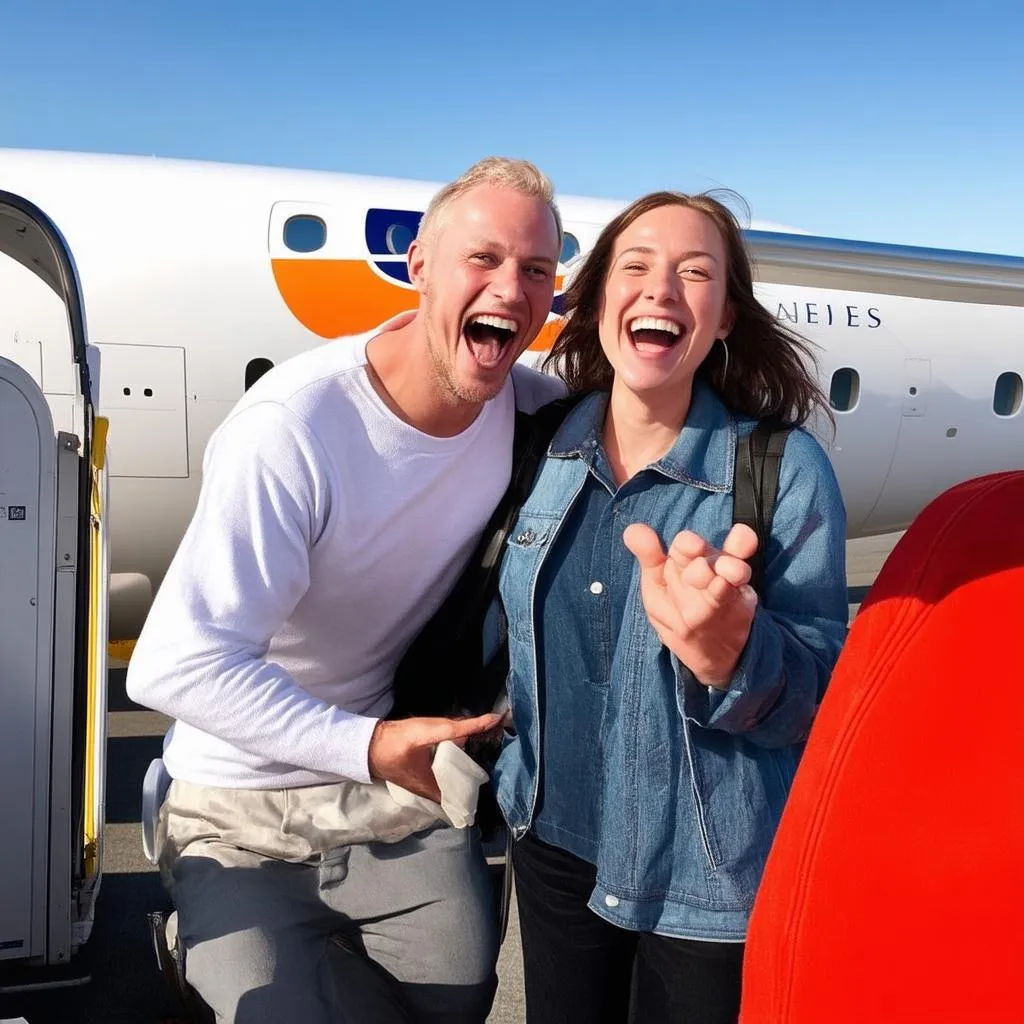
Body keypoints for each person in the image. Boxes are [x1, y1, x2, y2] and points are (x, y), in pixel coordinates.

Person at [125, 156, 565, 1024]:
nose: (511, 288)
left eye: (536, 270)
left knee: (458, 999)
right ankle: (195, 945)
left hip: (388, 799)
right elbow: (171, 666)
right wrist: (369, 745)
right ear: (419, 267)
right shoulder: (295, 429)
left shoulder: (530, 405)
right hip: (235, 802)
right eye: (483, 259)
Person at [491, 190, 849, 1023]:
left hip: (705, 879)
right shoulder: (541, 448)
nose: (661, 290)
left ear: (723, 318)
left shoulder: (780, 471)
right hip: (551, 850)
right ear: (599, 298)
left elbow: (823, 694)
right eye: (637, 266)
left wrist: (736, 656)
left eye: (696, 273)